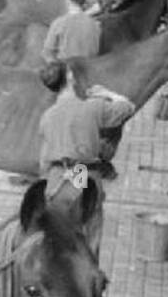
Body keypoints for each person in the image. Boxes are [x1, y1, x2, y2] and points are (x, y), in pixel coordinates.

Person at [38, 74, 136, 254]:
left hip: (56, 177)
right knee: (90, 234)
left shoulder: (47, 117)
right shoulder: (93, 107)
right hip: (83, 172)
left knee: (57, 237)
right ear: (71, 81)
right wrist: (107, 94)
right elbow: (128, 107)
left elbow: (43, 162)